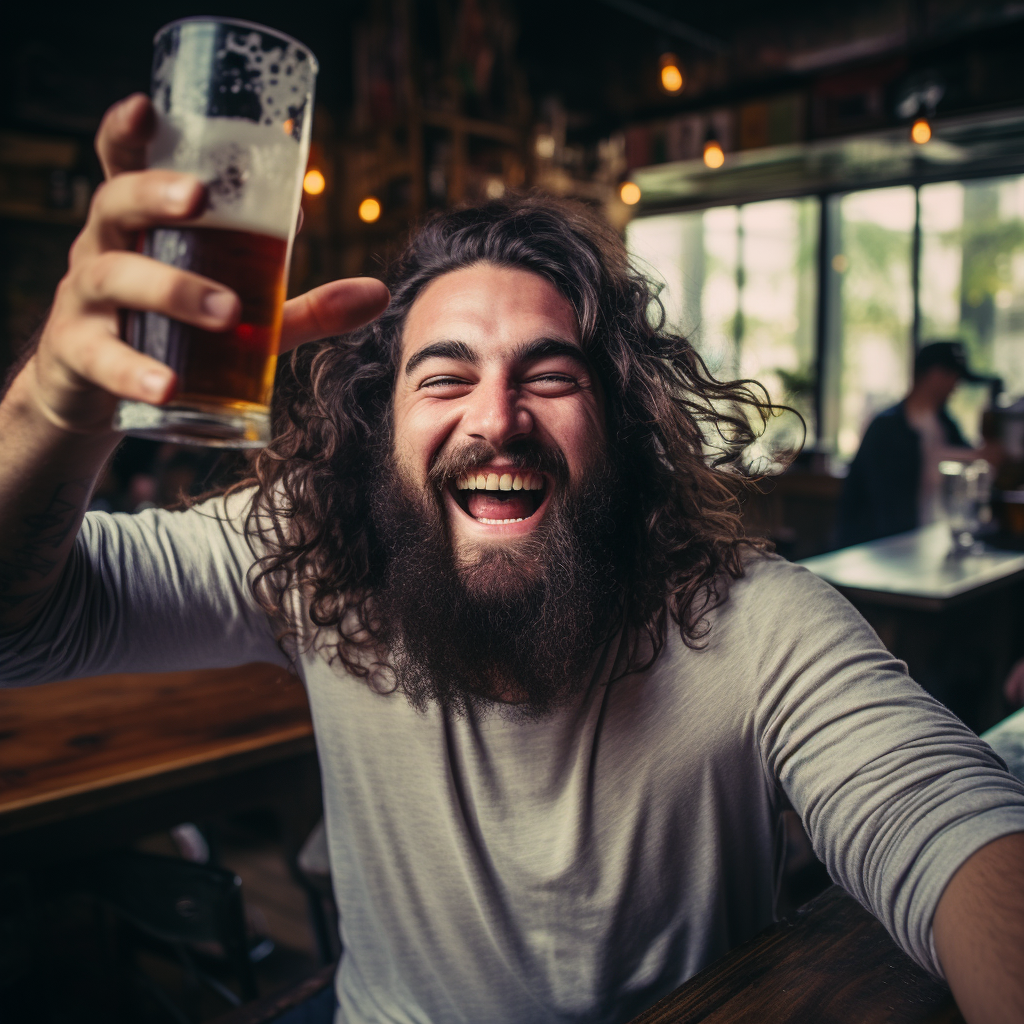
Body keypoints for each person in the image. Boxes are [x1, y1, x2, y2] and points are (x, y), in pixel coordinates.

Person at [2, 95, 1024, 1024]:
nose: (496, 418)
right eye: (444, 377)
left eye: (549, 374)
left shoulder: (750, 621)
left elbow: (952, 828)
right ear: (378, 428)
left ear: (620, 424)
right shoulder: (318, 554)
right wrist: (49, 407)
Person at [837, 340, 995, 547]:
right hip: (886, 549)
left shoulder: (945, 423)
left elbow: (969, 462)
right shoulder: (886, 427)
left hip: (931, 542)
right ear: (935, 375)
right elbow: (877, 500)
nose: (955, 387)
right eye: (953, 378)